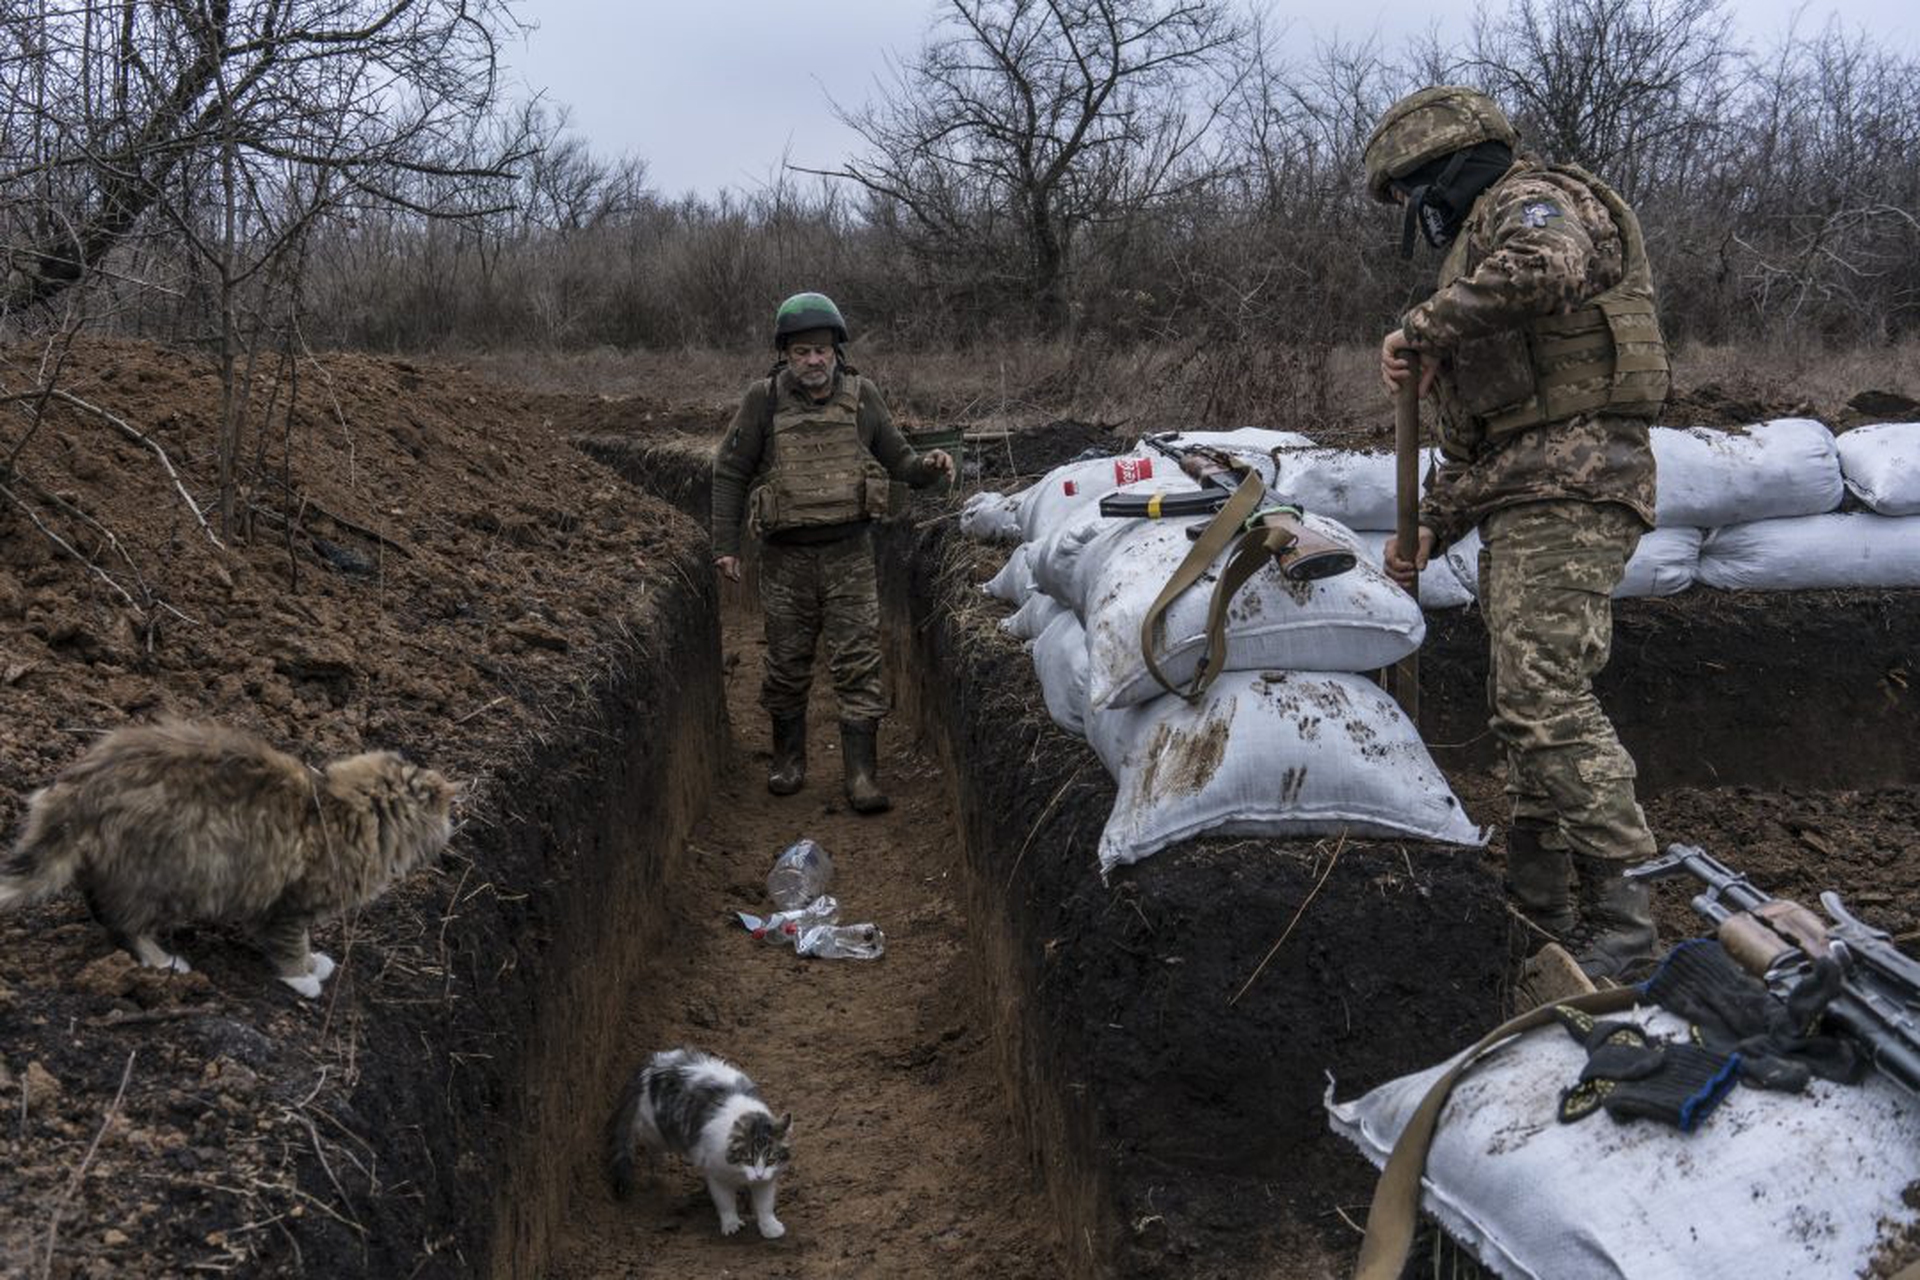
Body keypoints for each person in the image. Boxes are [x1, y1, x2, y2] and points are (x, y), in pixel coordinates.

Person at [1364, 87, 1670, 980]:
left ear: (1442, 174)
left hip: (1578, 490)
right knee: (1523, 702)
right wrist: (1429, 525)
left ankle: (1626, 916)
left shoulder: (1530, 204)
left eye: (1411, 197)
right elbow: (1494, 441)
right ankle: (1539, 901)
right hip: (1526, 494)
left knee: (1541, 698)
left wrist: (1420, 325)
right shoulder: (1474, 254)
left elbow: (1551, 265)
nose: (1415, 217)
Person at [710, 292, 954, 814]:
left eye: (821, 351)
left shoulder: (862, 396)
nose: (813, 362)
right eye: (801, 352)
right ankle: (789, 760)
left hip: (850, 554)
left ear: (836, 351)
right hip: (784, 560)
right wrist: (725, 546)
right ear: (786, 356)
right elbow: (730, 471)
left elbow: (900, 461)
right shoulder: (763, 400)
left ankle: (861, 775)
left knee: (858, 663)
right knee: (786, 663)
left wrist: (930, 467)